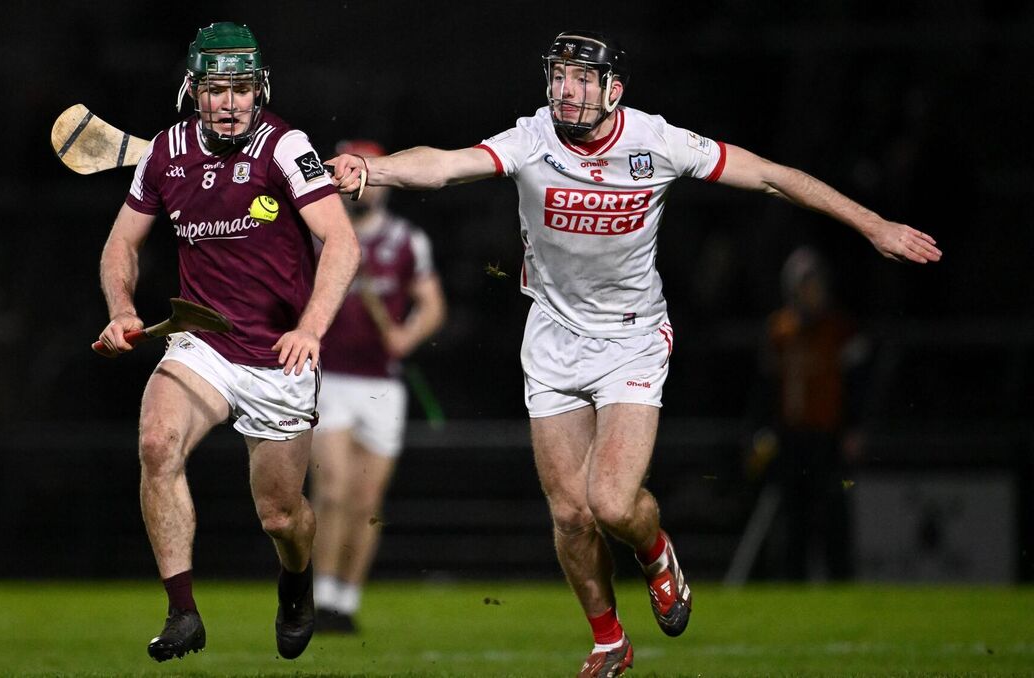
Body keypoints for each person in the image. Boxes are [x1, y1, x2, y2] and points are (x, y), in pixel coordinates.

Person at [327, 30, 941, 677]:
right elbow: (446, 164)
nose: (565, 89)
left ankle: (656, 555)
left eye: (581, 79)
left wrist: (874, 225)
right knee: (569, 515)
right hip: (553, 340)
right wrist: (377, 168)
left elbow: (771, 176)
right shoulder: (532, 138)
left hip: (631, 339)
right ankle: (608, 640)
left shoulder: (657, 142)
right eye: (558, 76)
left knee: (613, 504)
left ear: (614, 91)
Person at [95, 22, 359, 663]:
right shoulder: (166, 152)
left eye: (242, 89)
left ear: (259, 89)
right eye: (217, 90)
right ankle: (183, 611)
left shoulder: (284, 146)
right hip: (201, 340)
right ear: (195, 91)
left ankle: (296, 583)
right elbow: (120, 245)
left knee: (279, 516)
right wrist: (122, 309)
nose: (230, 102)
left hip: (279, 355)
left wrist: (311, 328)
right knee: (157, 442)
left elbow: (342, 243)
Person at [308, 140, 447, 634]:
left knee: (367, 502)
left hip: (382, 385)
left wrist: (405, 337)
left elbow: (431, 305)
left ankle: (345, 601)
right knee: (332, 489)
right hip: (330, 377)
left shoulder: (406, 239)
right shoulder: (319, 235)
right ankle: (319, 597)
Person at [752, 246, 867, 580]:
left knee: (833, 514)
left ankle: (841, 581)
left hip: (828, 437)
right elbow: (765, 387)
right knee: (793, 520)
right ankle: (792, 584)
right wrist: (763, 431)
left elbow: (857, 385)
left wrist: (854, 428)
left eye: (815, 285)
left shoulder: (840, 329)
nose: (810, 293)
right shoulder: (780, 330)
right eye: (804, 285)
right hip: (792, 438)